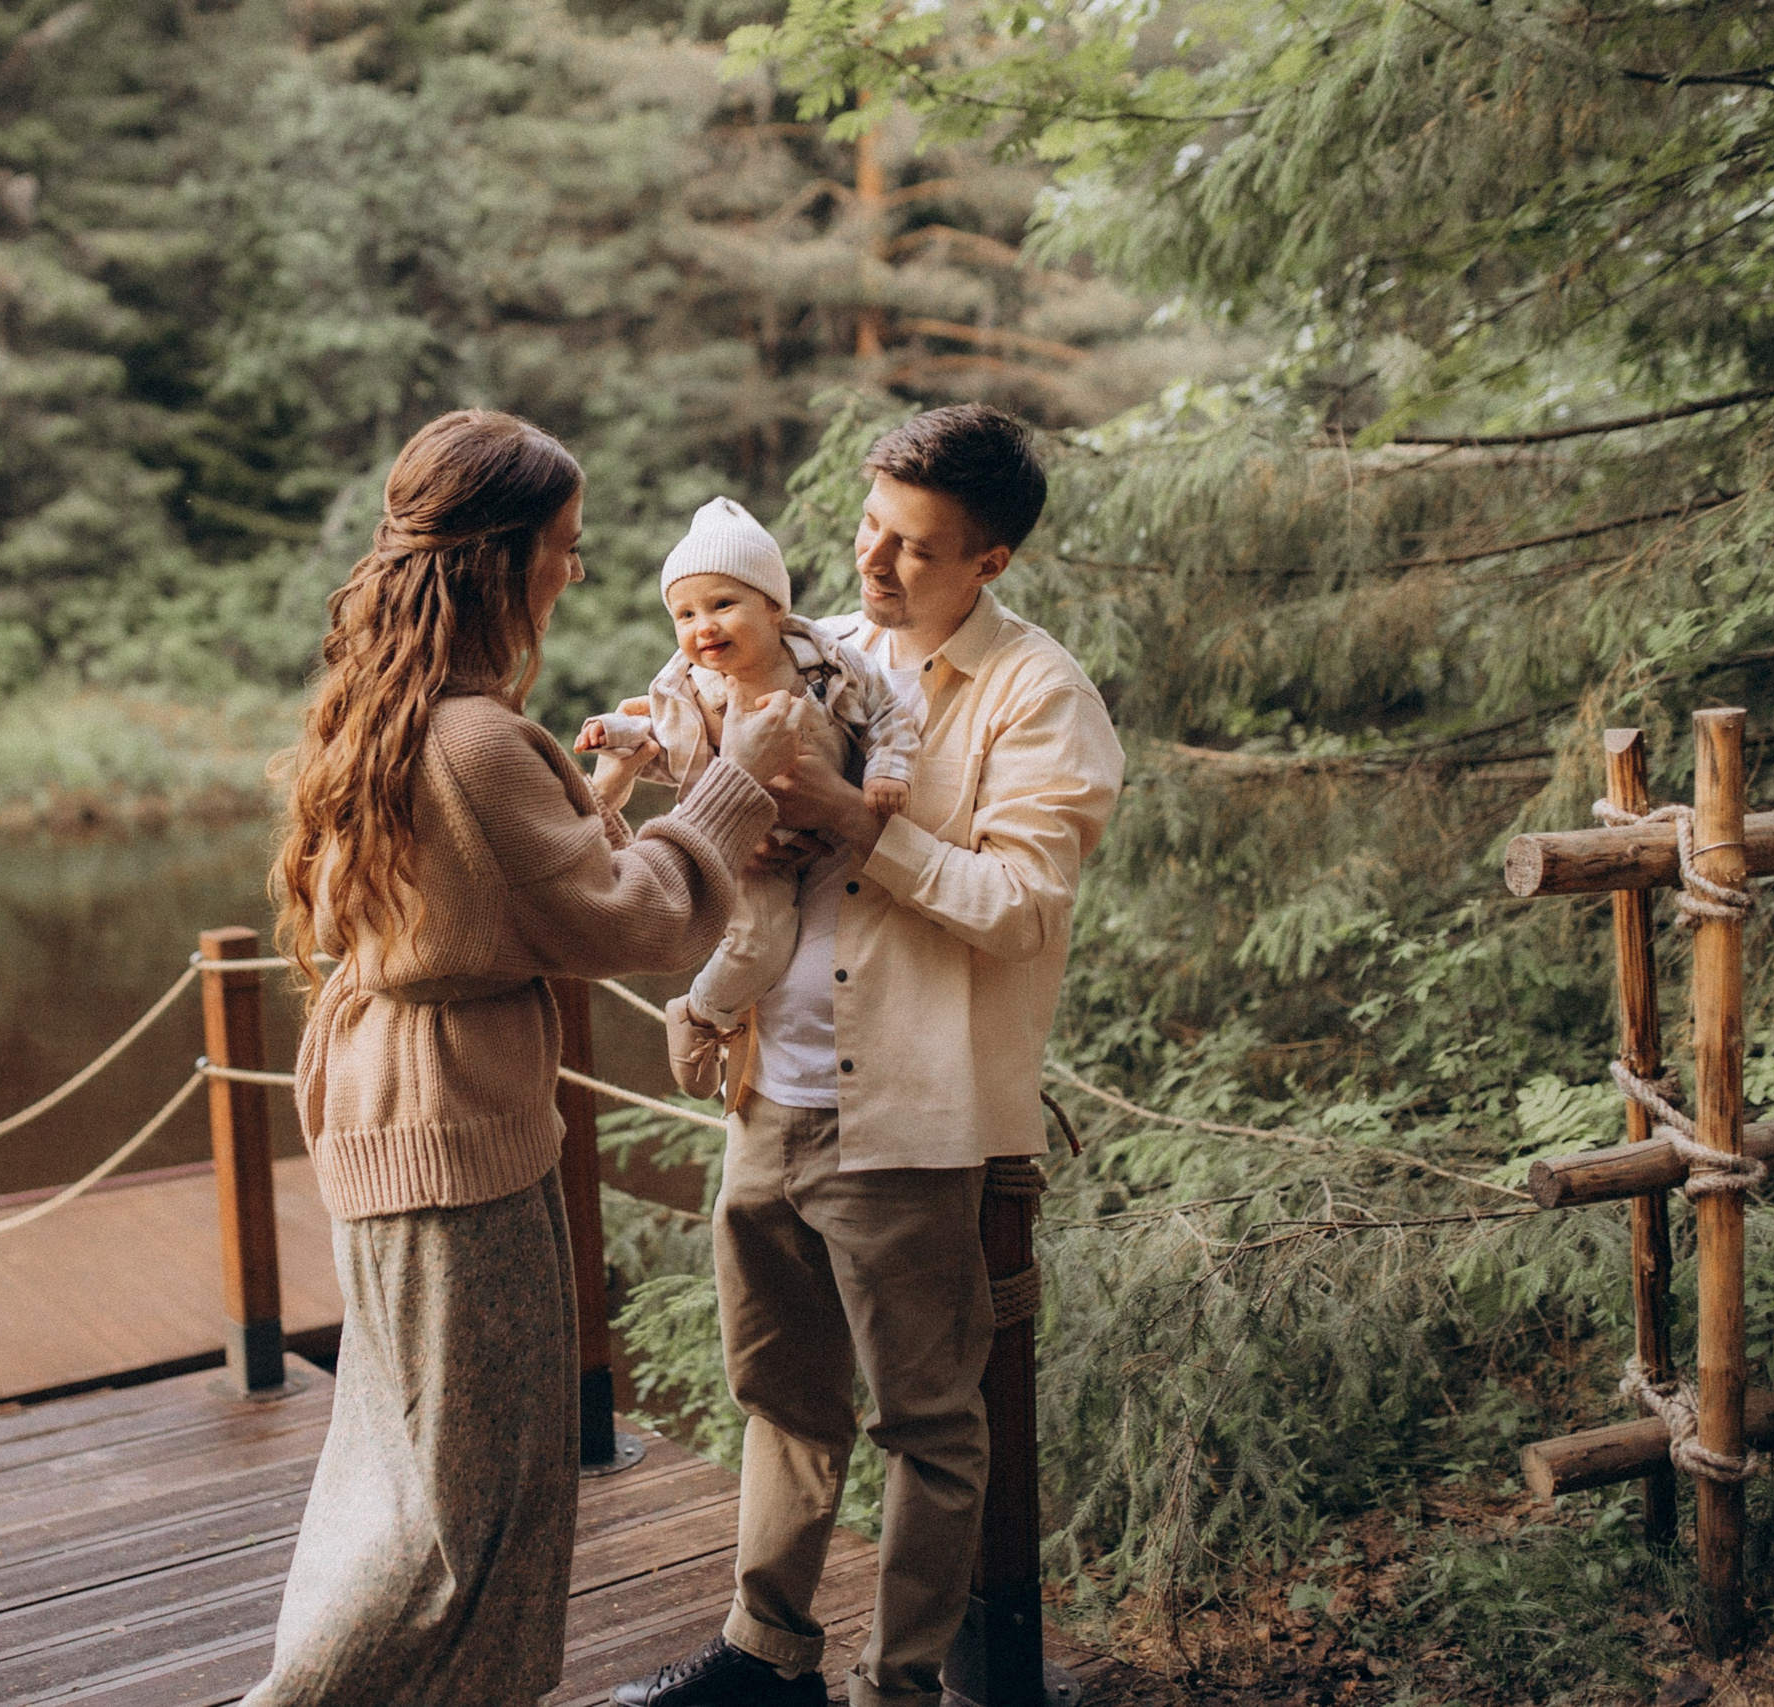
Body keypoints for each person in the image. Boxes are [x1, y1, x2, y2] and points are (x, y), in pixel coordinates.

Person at [250, 409, 802, 1707]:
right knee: (462, 1520)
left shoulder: (382, 709)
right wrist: (733, 784)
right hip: (456, 1148)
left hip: (391, 1123)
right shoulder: (479, 742)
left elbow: (477, 896)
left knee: (400, 1480)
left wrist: (596, 802)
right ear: (501, 558)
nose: (574, 571)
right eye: (565, 546)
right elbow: (630, 921)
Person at [612, 404, 1125, 1707]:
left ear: (991, 560)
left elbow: (1022, 905)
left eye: (915, 548)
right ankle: (766, 1661)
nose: (874, 568)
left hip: (910, 1117)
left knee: (929, 1429)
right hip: (764, 1094)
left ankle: (903, 1687)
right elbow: (696, 732)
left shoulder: (1038, 694)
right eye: (867, 529)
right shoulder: (813, 656)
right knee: (779, 1395)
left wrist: (859, 825)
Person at [572, 496, 919, 1099]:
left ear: (773, 606)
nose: (702, 626)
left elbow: (888, 715)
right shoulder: (689, 689)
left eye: (723, 605)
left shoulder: (826, 665)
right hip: (743, 840)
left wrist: (888, 772)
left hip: (825, 838)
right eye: (683, 615)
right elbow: (663, 740)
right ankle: (702, 1015)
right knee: (759, 941)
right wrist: (618, 733)